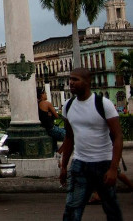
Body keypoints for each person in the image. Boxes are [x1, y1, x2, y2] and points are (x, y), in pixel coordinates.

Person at [60, 68, 123, 220]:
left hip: (103, 163)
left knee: (111, 208)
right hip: (80, 164)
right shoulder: (68, 106)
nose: (71, 83)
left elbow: (118, 137)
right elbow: (69, 137)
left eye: (75, 79)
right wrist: (64, 166)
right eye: (70, 79)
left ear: (88, 82)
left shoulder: (103, 104)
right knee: (72, 209)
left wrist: (113, 168)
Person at [37, 87, 65, 151]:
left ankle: (55, 150)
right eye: (45, 93)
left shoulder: (37, 104)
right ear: (42, 95)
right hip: (51, 128)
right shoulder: (47, 103)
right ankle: (60, 151)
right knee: (68, 136)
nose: (46, 94)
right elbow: (56, 116)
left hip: (44, 128)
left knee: (54, 140)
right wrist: (51, 114)